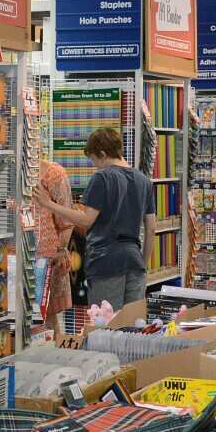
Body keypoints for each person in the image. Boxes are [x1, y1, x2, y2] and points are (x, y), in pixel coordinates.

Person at [35, 128, 156, 307]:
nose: (95, 165)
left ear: (102, 153)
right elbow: (151, 227)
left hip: (105, 262)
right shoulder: (143, 180)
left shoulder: (103, 177)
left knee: (105, 325)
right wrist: (143, 266)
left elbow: (86, 220)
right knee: (133, 327)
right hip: (135, 262)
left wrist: (49, 204)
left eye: (93, 159)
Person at [33, 159, 74, 327]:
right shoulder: (4, 173)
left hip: (48, 262)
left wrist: (61, 249)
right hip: (13, 263)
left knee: (48, 323)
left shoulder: (54, 174)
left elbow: (67, 219)